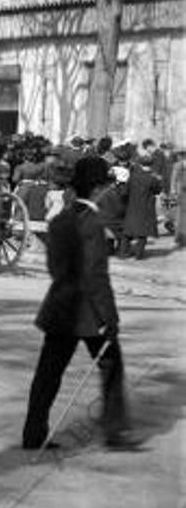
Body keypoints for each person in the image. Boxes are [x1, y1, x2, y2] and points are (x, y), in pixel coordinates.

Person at [22, 156, 142, 451]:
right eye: (106, 186)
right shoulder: (93, 224)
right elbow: (97, 276)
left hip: (60, 306)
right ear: (98, 188)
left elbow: (54, 267)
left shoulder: (61, 219)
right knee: (112, 367)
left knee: (48, 375)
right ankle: (115, 432)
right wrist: (110, 318)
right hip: (89, 313)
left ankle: (33, 434)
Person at [120, 154, 162, 260]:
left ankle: (123, 253)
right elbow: (157, 191)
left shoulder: (133, 176)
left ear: (140, 163)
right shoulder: (153, 178)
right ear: (151, 164)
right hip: (146, 206)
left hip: (132, 205)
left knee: (128, 231)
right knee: (143, 232)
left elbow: (124, 192)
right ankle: (139, 254)